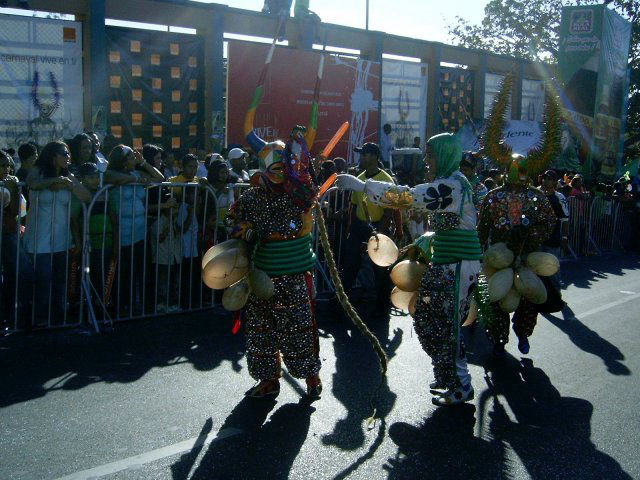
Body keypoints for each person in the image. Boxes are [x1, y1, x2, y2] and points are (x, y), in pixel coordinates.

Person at [335, 133, 482, 405]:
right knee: (427, 317)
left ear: (446, 155)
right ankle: (446, 374)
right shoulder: (450, 184)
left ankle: (461, 385)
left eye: (431, 155)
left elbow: (409, 198)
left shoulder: (453, 187)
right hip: (445, 264)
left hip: (459, 265)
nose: (426, 161)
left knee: (447, 325)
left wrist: (364, 186)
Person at [222, 58, 323, 398]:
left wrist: (314, 108)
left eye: (285, 164)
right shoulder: (251, 197)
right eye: (273, 163)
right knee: (261, 330)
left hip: (294, 275)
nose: (280, 170)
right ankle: (268, 379)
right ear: (262, 164)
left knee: (299, 327)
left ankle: (310, 376)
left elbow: (309, 135)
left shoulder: (299, 197)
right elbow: (232, 222)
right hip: (260, 274)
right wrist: (248, 232)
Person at [24, 141, 91, 325]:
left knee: (60, 281)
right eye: (65, 153)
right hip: (39, 238)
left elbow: (86, 196)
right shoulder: (38, 170)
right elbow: (32, 183)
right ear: (53, 155)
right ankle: (39, 319)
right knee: (43, 279)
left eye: (69, 154)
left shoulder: (68, 176)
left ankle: (58, 318)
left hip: (61, 239)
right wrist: (53, 181)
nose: (68, 157)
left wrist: (67, 184)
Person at [107, 145, 163, 315]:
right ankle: (121, 306)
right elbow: (112, 177)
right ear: (122, 161)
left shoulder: (136, 173)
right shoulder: (111, 174)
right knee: (124, 271)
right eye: (131, 156)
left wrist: (144, 163)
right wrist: (137, 181)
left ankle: (139, 305)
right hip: (122, 231)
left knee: (141, 269)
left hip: (140, 231)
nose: (134, 158)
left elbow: (159, 179)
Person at [341, 142, 396, 310]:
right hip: (359, 227)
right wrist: (350, 229)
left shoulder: (387, 180)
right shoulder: (360, 178)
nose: (361, 157)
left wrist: (378, 234)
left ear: (374, 157)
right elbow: (354, 206)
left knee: (380, 269)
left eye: (364, 154)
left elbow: (389, 211)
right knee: (350, 265)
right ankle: (343, 303)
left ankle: (382, 307)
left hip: (378, 227)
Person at [0, 150, 34, 330]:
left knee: (21, 273)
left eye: (8, 165)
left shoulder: (13, 185)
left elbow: (18, 213)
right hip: (5, 235)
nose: (7, 169)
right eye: (2, 165)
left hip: (10, 234)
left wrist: (13, 191)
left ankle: (14, 317)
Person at [150, 189, 181, 312]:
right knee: (162, 282)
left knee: (173, 280)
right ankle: (161, 303)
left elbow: (179, 232)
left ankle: (171, 302)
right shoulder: (158, 222)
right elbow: (160, 238)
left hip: (173, 257)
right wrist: (169, 222)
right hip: (161, 258)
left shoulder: (174, 221)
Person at [540, 170, 569, 290]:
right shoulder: (537, 194)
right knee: (538, 269)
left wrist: (564, 238)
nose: (546, 180)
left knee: (552, 268)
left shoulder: (559, 197)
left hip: (553, 238)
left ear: (555, 182)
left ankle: (557, 295)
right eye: (544, 178)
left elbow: (565, 219)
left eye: (549, 178)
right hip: (538, 239)